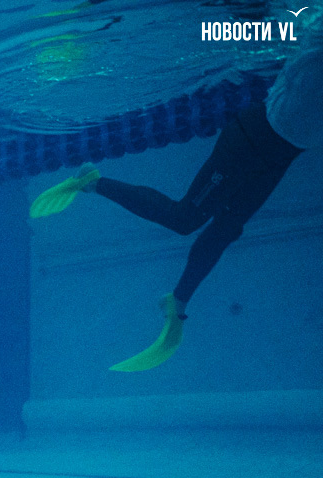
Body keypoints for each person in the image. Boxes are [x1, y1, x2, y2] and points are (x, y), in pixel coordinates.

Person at [30, 21, 320, 371]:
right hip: (250, 139)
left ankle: (177, 301)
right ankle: (92, 181)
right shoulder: (316, 29)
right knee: (185, 219)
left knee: (228, 228)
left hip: (280, 157)